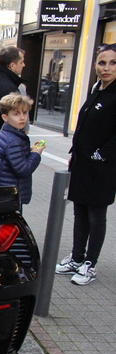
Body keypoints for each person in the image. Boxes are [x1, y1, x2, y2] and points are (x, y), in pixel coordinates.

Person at [55, 43, 116, 285]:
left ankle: (90, 263)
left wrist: (101, 155)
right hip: (82, 164)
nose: (106, 68)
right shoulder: (97, 89)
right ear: (95, 65)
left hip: (102, 167)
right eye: (102, 63)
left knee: (96, 215)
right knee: (79, 211)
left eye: (112, 63)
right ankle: (77, 257)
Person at [0, 94, 44, 211]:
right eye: (16, 114)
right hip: (8, 196)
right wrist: (36, 153)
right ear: (5, 117)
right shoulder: (13, 140)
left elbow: (10, 158)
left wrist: (29, 150)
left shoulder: (5, 133)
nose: (22, 118)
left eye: (25, 113)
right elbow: (23, 169)